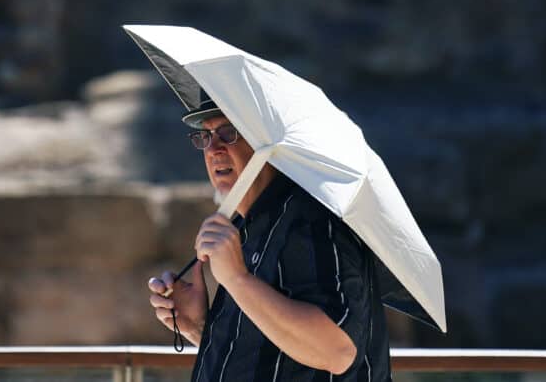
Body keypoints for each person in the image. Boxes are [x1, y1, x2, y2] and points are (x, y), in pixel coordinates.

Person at [147, 99, 392, 381]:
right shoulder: (241, 224)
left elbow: (337, 352)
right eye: (205, 136)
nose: (214, 150)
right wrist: (199, 327)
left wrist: (238, 280)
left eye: (229, 132)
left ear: (268, 143)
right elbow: (270, 352)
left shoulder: (312, 217)